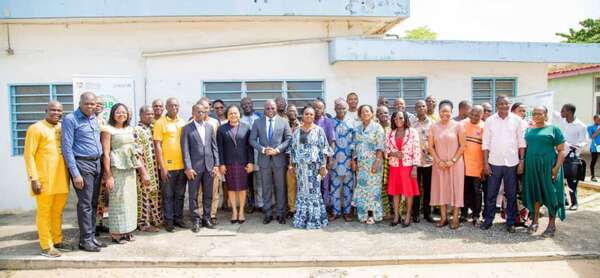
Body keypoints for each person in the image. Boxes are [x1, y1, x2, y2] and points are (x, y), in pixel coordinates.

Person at [24, 101, 72, 257]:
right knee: (44, 213)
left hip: (61, 178)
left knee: (57, 212)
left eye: (59, 110)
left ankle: (57, 240)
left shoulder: (61, 128)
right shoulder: (36, 128)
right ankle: (46, 246)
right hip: (44, 180)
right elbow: (29, 155)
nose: (56, 113)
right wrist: (34, 179)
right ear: (46, 110)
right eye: (53, 110)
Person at [62, 92, 106, 252]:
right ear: (80, 103)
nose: (90, 106)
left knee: (94, 203)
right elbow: (66, 148)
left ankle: (92, 237)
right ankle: (85, 240)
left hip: (96, 163)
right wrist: (75, 173)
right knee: (85, 205)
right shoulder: (70, 119)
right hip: (82, 164)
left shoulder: (94, 118)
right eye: (87, 103)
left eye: (93, 104)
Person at [101, 103, 146, 243]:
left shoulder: (130, 129)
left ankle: (127, 230)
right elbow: (106, 154)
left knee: (130, 201)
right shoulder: (107, 130)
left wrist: (142, 170)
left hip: (130, 169)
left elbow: (134, 150)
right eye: (118, 112)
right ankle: (116, 233)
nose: (121, 115)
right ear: (113, 114)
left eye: (124, 112)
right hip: (117, 169)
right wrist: (108, 175)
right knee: (118, 200)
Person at [481, 96, 526, 233]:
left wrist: (521, 162)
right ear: (497, 105)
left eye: (506, 103)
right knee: (491, 194)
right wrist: (486, 164)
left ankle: (510, 222)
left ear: (509, 104)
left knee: (511, 194)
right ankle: (488, 220)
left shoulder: (517, 120)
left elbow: (521, 143)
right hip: (494, 162)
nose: (504, 106)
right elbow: (485, 144)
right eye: (501, 104)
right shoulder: (490, 121)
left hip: (512, 163)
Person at [523, 106, 567, 238]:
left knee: (550, 193)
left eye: (539, 113)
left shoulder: (554, 129)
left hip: (549, 166)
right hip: (532, 166)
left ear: (546, 115)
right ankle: (535, 221)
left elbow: (561, 151)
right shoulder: (529, 130)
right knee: (536, 192)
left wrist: (556, 168)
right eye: (534, 113)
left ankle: (551, 224)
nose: (536, 115)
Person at [250, 100, 292, 225]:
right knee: (266, 187)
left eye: (272, 108)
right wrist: (263, 149)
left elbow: (289, 138)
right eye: (267, 108)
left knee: (281, 187)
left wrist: (277, 150)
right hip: (264, 160)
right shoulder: (257, 122)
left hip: (279, 160)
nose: (270, 110)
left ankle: (280, 213)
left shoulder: (284, 121)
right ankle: (267, 213)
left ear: (276, 108)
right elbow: (252, 140)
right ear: (264, 109)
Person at [290, 106, 330, 229]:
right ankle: (302, 219)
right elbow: (293, 149)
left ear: (314, 116)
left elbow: (324, 149)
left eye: (311, 114)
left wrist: (323, 166)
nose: (309, 116)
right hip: (301, 168)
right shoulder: (296, 131)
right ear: (303, 115)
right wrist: (291, 165)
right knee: (302, 192)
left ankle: (315, 219)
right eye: (306, 114)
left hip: (314, 167)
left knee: (314, 192)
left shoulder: (319, 130)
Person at [181, 104, 219, 231]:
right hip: (194, 168)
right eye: (198, 112)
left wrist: (216, 165)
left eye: (203, 112)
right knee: (193, 195)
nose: (201, 114)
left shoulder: (209, 127)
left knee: (208, 194)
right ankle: (196, 220)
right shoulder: (187, 128)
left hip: (209, 166)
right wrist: (188, 167)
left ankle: (206, 218)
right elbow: (185, 150)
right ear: (193, 112)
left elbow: (214, 147)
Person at [428, 100, 466, 229]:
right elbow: (430, 147)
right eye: (443, 111)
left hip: (455, 164)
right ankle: (443, 218)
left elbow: (463, 146)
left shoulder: (458, 126)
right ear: (439, 112)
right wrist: (438, 160)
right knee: (441, 190)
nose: (445, 113)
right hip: (439, 164)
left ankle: (455, 217)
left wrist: (453, 160)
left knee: (456, 190)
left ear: (451, 112)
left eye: (448, 111)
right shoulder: (433, 126)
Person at [153, 97, 187, 232]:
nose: (174, 108)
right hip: (167, 167)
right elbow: (157, 146)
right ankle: (169, 222)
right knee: (167, 196)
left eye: (176, 105)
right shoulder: (160, 123)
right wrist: (162, 167)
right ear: (166, 107)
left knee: (180, 195)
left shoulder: (182, 122)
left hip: (182, 166)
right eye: (171, 106)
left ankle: (178, 219)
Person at [217, 105, 254, 224]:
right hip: (229, 164)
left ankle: (241, 211)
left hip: (243, 163)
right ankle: (234, 211)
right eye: (231, 113)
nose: (233, 115)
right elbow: (220, 148)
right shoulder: (222, 129)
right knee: (231, 189)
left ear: (239, 114)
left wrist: (250, 162)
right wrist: (221, 163)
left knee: (243, 188)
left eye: (235, 113)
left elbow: (250, 147)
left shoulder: (246, 128)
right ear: (227, 115)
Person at [385, 111, 420, 227]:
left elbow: (417, 150)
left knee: (408, 192)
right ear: (393, 120)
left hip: (408, 166)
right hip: (394, 166)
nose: (398, 120)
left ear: (405, 119)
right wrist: (393, 153)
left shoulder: (412, 132)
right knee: (395, 192)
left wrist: (415, 167)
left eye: (400, 118)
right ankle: (396, 215)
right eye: (395, 118)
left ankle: (408, 215)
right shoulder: (390, 133)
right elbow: (386, 150)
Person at [352, 105, 385, 224]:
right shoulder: (357, 129)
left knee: (373, 190)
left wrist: (377, 161)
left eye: (367, 111)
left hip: (373, 163)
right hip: (361, 165)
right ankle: (363, 214)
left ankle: (372, 215)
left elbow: (380, 146)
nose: (365, 113)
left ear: (372, 113)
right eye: (362, 112)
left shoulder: (378, 128)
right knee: (362, 189)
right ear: (360, 115)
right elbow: (354, 147)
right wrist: (353, 161)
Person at [133, 105, 163, 233]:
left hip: (154, 170)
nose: (150, 116)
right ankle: (143, 223)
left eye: (152, 114)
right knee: (144, 196)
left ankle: (154, 220)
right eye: (147, 114)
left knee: (154, 195)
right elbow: (136, 153)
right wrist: (143, 172)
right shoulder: (136, 130)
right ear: (141, 115)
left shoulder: (152, 128)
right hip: (144, 171)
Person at [197, 98, 222, 225]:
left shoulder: (214, 122)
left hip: (212, 163)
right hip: (198, 164)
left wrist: (218, 164)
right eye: (202, 108)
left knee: (213, 190)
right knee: (200, 192)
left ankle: (212, 214)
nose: (204, 111)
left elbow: (217, 144)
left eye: (206, 108)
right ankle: (201, 215)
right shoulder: (192, 123)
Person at [559, 103, 588, 211]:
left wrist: (574, 146)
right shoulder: (562, 121)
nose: (561, 113)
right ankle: (564, 200)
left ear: (569, 112)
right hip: (560, 154)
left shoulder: (581, 126)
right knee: (558, 178)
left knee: (572, 181)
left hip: (572, 157)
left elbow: (584, 142)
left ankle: (574, 203)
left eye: (563, 111)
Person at [330, 98, 355, 222]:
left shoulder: (352, 123)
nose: (341, 110)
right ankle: (335, 212)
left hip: (348, 161)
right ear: (335, 109)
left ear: (347, 109)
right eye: (338, 107)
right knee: (334, 188)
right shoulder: (330, 123)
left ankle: (347, 212)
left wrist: (354, 159)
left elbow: (355, 142)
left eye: (343, 108)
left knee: (348, 188)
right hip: (334, 162)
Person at [461, 105, 485, 226]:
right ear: (469, 113)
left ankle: (476, 215)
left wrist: (484, 167)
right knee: (464, 191)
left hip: (478, 167)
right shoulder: (462, 124)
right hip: (463, 165)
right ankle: (463, 214)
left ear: (482, 115)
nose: (474, 117)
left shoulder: (484, 127)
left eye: (477, 115)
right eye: (473, 114)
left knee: (477, 192)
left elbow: (486, 149)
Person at [411, 100, 435, 223]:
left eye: (423, 106)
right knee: (415, 188)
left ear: (427, 108)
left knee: (428, 188)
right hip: (415, 162)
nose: (421, 108)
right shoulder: (411, 123)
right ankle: (415, 214)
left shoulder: (433, 123)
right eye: (418, 106)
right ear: (415, 109)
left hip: (429, 161)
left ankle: (427, 213)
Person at [241, 97, 263, 213]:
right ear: (241, 106)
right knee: (248, 181)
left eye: (249, 103)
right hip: (246, 155)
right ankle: (250, 203)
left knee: (259, 180)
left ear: (253, 104)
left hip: (259, 153)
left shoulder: (259, 118)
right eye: (244, 104)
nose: (247, 106)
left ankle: (260, 203)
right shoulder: (240, 120)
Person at [313, 99, 336, 211]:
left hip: (324, 159)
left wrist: (330, 159)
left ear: (323, 109)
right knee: (314, 184)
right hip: (311, 160)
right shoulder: (309, 121)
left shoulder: (328, 122)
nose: (317, 110)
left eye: (320, 107)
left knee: (325, 185)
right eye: (315, 107)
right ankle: (315, 208)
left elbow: (332, 141)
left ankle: (324, 208)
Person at [376, 105, 392, 218]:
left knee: (392, 186)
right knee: (381, 186)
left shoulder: (394, 127)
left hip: (392, 161)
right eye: (381, 113)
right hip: (379, 161)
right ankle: (385, 211)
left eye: (385, 113)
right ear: (377, 115)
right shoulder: (375, 128)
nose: (383, 115)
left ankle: (395, 210)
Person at [286, 104, 301, 219]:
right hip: (287, 161)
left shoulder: (302, 126)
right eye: (289, 111)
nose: (291, 113)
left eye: (294, 111)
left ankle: (300, 207)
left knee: (300, 186)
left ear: (297, 113)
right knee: (290, 186)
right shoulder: (283, 125)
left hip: (301, 161)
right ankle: (292, 208)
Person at [587, 115, 600, 182]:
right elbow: (592, 136)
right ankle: (592, 176)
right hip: (595, 147)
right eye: (598, 119)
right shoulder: (590, 127)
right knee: (593, 161)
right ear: (594, 119)